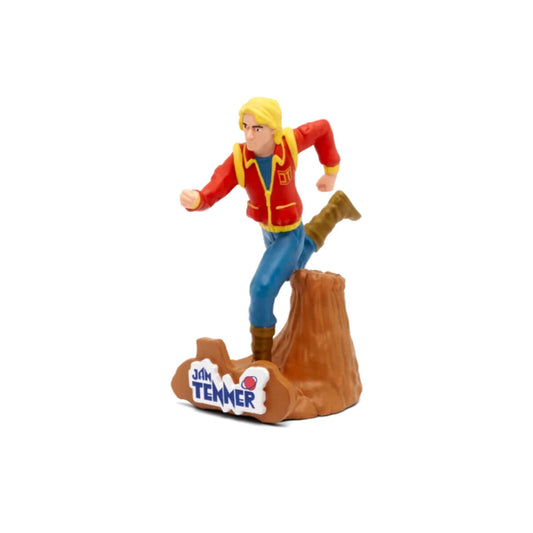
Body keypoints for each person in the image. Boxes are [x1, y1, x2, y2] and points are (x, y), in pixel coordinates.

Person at [180, 97, 360, 361]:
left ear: (273, 129)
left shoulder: (288, 144)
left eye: (257, 128)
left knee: (262, 288)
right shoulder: (241, 159)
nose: (249, 135)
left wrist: (330, 170)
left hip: (290, 231)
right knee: (292, 269)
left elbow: (322, 128)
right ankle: (336, 209)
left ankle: (262, 361)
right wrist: (199, 199)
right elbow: (218, 183)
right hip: (267, 232)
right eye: (245, 127)